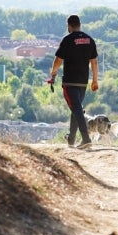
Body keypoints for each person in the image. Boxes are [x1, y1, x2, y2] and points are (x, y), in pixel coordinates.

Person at [48, 14, 99, 149]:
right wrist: (95, 80)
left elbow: (58, 59)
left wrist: (53, 72)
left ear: (69, 26)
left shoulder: (67, 39)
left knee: (77, 109)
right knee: (75, 109)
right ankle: (71, 139)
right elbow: (94, 62)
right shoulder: (89, 40)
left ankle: (86, 139)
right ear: (79, 24)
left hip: (70, 82)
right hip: (83, 82)